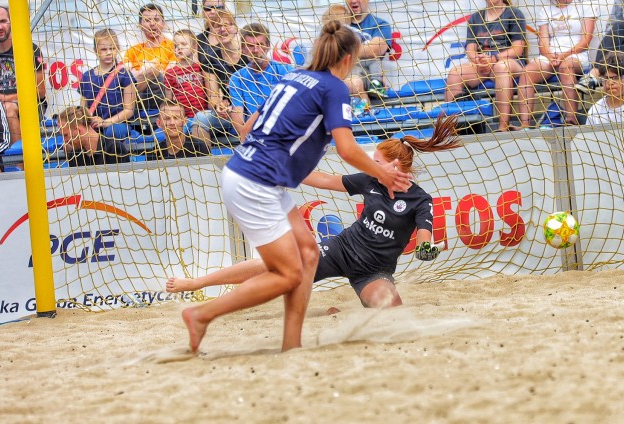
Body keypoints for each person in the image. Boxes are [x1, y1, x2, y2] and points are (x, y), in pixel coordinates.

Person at [172, 21, 411, 354]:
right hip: (255, 183)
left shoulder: (292, 76)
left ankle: (291, 343)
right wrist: (382, 175)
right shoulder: (334, 87)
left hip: (257, 176)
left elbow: (249, 128)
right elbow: (347, 149)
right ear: (347, 58)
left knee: (309, 254)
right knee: (287, 274)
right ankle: (201, 314)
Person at [166, 115, 460, 308]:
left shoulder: (420, 201)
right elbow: (322, 180)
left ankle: (343, 308)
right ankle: (198, 283)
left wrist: (425, 248)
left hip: (375, 271)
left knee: (391, 310)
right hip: (340, 249)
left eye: (377, 161)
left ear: (396, 167)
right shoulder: (371, 180)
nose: (372, 165)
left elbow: (424, 234)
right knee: (279, 264)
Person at [444, 0, 526, 132]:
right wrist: (478, 60)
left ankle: (503, 127)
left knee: (501, 68)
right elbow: (470, 48)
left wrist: (494, 59)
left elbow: (517, 49)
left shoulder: (514, 14)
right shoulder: (476, 18)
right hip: (484, 64)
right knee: (455, 74)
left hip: (509, 62)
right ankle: (453, 129)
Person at [515, 0, 595, 128]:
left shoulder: (584, 6)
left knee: (566, 67)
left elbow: (586, 40)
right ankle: (525, 125)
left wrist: (564, 55)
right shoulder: (545, 10)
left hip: (576, 54)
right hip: (551, 55)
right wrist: (551, 56)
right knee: (527, 73)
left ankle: (571, 119)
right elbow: (543, 43)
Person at [0, 6, 46, 144]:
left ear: (11, 21)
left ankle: (18, 162)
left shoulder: (31, 49)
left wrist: (8, 98)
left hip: (30, 106)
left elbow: (40, 92)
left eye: (3, 21)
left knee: (9, 109)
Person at [164, 29, 225, 148]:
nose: (179, 48)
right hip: (184, 119)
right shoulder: (170, 73)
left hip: (203, 115)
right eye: (176, 45)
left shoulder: (202, 68)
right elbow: (168, 100)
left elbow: (214, 92)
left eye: (184, 44)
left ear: (194, 46)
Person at [228, 23, 293, 125]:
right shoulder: (237, 78)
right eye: (250, 46)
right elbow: (238, 119)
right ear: (243, 49)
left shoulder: (286, 71)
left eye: (260, 45)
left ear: (267, 46)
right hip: (252, 130)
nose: (255, 50)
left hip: (281, 127)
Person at [78, 29, 136, 142]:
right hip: (93, 125)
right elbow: (83, 108)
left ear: (118, 48)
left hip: (118, 124)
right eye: (104, 49)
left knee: (113, 132)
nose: (109, 52)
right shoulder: (86, 77)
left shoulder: (124, 75)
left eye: (113, 48)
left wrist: (105, 122)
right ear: (96, 51)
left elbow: (129, 110)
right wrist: (90, 120)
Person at [124, 4, 177, 114]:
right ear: (140, 25)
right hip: (137, 99)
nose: (152, 23)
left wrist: (149, 70)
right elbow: (125, 77)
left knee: (152, 69)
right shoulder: (133, 51)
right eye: (147, 20)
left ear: (163, 23)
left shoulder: (173, 47)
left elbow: (170, 75)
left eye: (156, 19)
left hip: (163, 94)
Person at [346, 0, 394, 101]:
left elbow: (374, 51)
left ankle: (367, 113)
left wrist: (342, 49)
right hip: (342, 74)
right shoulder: (338, 24)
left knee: (354, 82)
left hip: (366, 76)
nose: (354, 1)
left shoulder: (380, 24)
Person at [57, 106, 130, 167]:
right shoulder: (75, 155)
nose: (64, 140)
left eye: (65, 135)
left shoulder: (114, 149)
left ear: (78, 130)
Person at [196, 0, 224, 65]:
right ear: (203, 13)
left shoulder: (236, 36)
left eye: (218, 7)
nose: (213, 11)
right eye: (208, 9)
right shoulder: (198, 40)